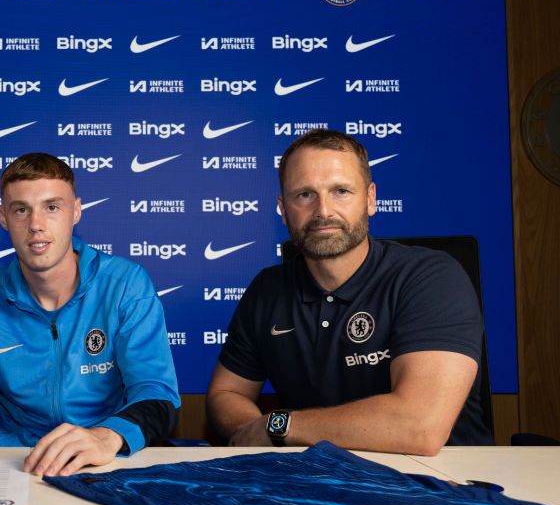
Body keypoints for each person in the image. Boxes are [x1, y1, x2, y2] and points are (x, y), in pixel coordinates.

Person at [206, 129, 492, 454]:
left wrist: (279, 427)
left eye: (341, 191)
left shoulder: (431, 277)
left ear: (370, 199)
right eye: (304, 195)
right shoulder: (267, 289)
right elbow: (225, 395)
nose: (323, 211)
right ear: (283, 207)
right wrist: (254, 432)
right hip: (316, 483)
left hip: (442, 487)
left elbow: (418, 428)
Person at [0, 153, 181, 476]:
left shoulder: (126, 285)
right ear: (3, 218)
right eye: (21, 210)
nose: (36, 225)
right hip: (16, 464)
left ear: (76, 211)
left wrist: (107, 436)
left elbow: (157, 394)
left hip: (108, 458)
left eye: (52, 207)